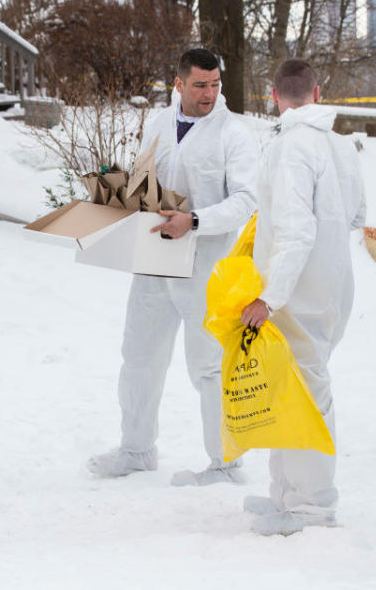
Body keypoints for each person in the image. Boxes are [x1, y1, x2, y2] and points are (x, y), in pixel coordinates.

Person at [89, 48, 258, 486]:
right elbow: (152, 181)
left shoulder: (233, 134)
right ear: (178, 84)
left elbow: (246, 200)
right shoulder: (159, 123)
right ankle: (137, 449)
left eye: (216, 84)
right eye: (200, 85)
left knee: (207, 365)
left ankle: (225, 463)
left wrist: (196, 221)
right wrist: (119, 186)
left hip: (205, 263)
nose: (210, 93)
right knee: (140, 355)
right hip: (155, 254)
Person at [239, 58, 365, 535]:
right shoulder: (340, 145)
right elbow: (357, 216)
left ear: (274, 95)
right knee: (287, 389)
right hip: (331, 285)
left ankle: (312, 507)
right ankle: (286, 496)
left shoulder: (290, 148)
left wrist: (269, 297)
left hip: (298, 292)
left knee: (307, 395)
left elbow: (294, 233)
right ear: (318, 92)